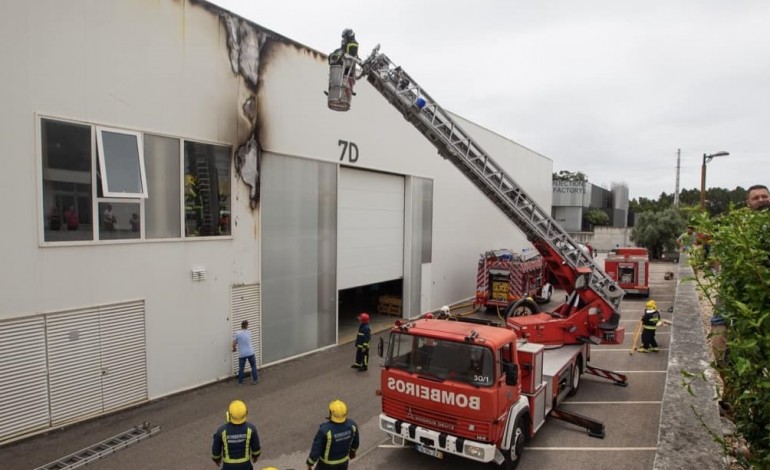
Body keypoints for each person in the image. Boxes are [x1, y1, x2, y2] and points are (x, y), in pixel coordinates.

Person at [306, 400, 359, 470]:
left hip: (326, 465)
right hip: (343, 463)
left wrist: (310, 463)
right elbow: (355, 443)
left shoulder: (325, 430)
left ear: (331, 413)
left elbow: (316, 449)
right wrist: (353, 452)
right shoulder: (352, 425)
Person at [211, 399, 262, 469]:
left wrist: (217, 460)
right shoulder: (251, 429)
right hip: (245, 466)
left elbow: (215, 452)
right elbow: (256, 450)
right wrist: (255, 456)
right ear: (246, 413)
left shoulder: (222, 431)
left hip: (228, 467)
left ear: (229, 414)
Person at [233, 320, 258, 385]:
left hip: (242, 354)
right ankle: (255, 380)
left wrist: (234, 348)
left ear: (241, 325)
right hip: (250, 352)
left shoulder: (237, 333)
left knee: (241, 368)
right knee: (253, 366)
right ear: (246, 325)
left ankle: (240, 382)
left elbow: (234, 343)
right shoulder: (249, 332)